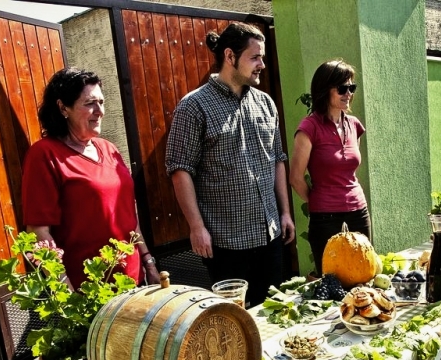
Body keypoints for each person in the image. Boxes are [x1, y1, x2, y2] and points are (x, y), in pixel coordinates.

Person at [165, 22, 294, 308]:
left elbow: (277, 159)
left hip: (270, 235)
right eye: (255, 57)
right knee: (234, 321)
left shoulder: (266, 103)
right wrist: (196, 227)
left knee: (274, 313)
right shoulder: (194, 107)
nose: (262, 65)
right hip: (226, 243)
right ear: (230, 56)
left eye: (262, 57)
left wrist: (285, 212)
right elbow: (180, 170)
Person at [21, 67, 160, 289]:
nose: (100, 111)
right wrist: (65, 289)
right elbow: (39, 231)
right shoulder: (45, 155)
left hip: (133, 281)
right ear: (63, 107)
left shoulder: (110, 149)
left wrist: (148, 262)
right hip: (88, 290)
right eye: (90, 103)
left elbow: (128, 215)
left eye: (101, 102)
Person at [289, 59, 370, 276]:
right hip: (325, 218)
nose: (348, 94)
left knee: (363, 274)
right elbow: (295, 177)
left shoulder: (354, 125)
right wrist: (319, 200)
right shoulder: (309, 127)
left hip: (358, 211)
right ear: (325, 89)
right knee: (331, 281)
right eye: (342, 88)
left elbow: (349, 169)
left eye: (352, 88)